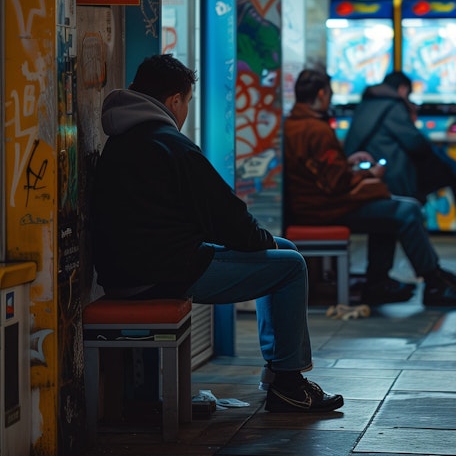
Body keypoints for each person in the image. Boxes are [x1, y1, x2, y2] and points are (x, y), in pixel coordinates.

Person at [90, 54, 343, 414]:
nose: (186, 110)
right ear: (175, 100)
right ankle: (288, 383)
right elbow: (227, 215)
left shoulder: (122, 139)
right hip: (162, 273)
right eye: (188, 101)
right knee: (290, 265)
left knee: (282, 249)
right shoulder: (169, 143)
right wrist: (260, 240)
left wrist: (261, 241)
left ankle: (279, 377)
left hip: (131, 269)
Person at [283, 68, 456, 308]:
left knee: (390, 209)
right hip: (325, 208)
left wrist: (348, 164)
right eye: (331, 93)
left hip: (314, 204)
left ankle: (380, 283)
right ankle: (434, 283)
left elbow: (323, 174)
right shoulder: (316, 129)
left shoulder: (294, 124)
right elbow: (335, 184)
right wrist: (368, 173)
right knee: (405, 211)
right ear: (322, 94)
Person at [343, 71, 456, 233]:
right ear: (402, 89)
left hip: (372, 171)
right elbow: (415, 143)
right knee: (442, 164)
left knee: (440, 160)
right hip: (393, 175)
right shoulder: (393, 106)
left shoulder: (365, 104)